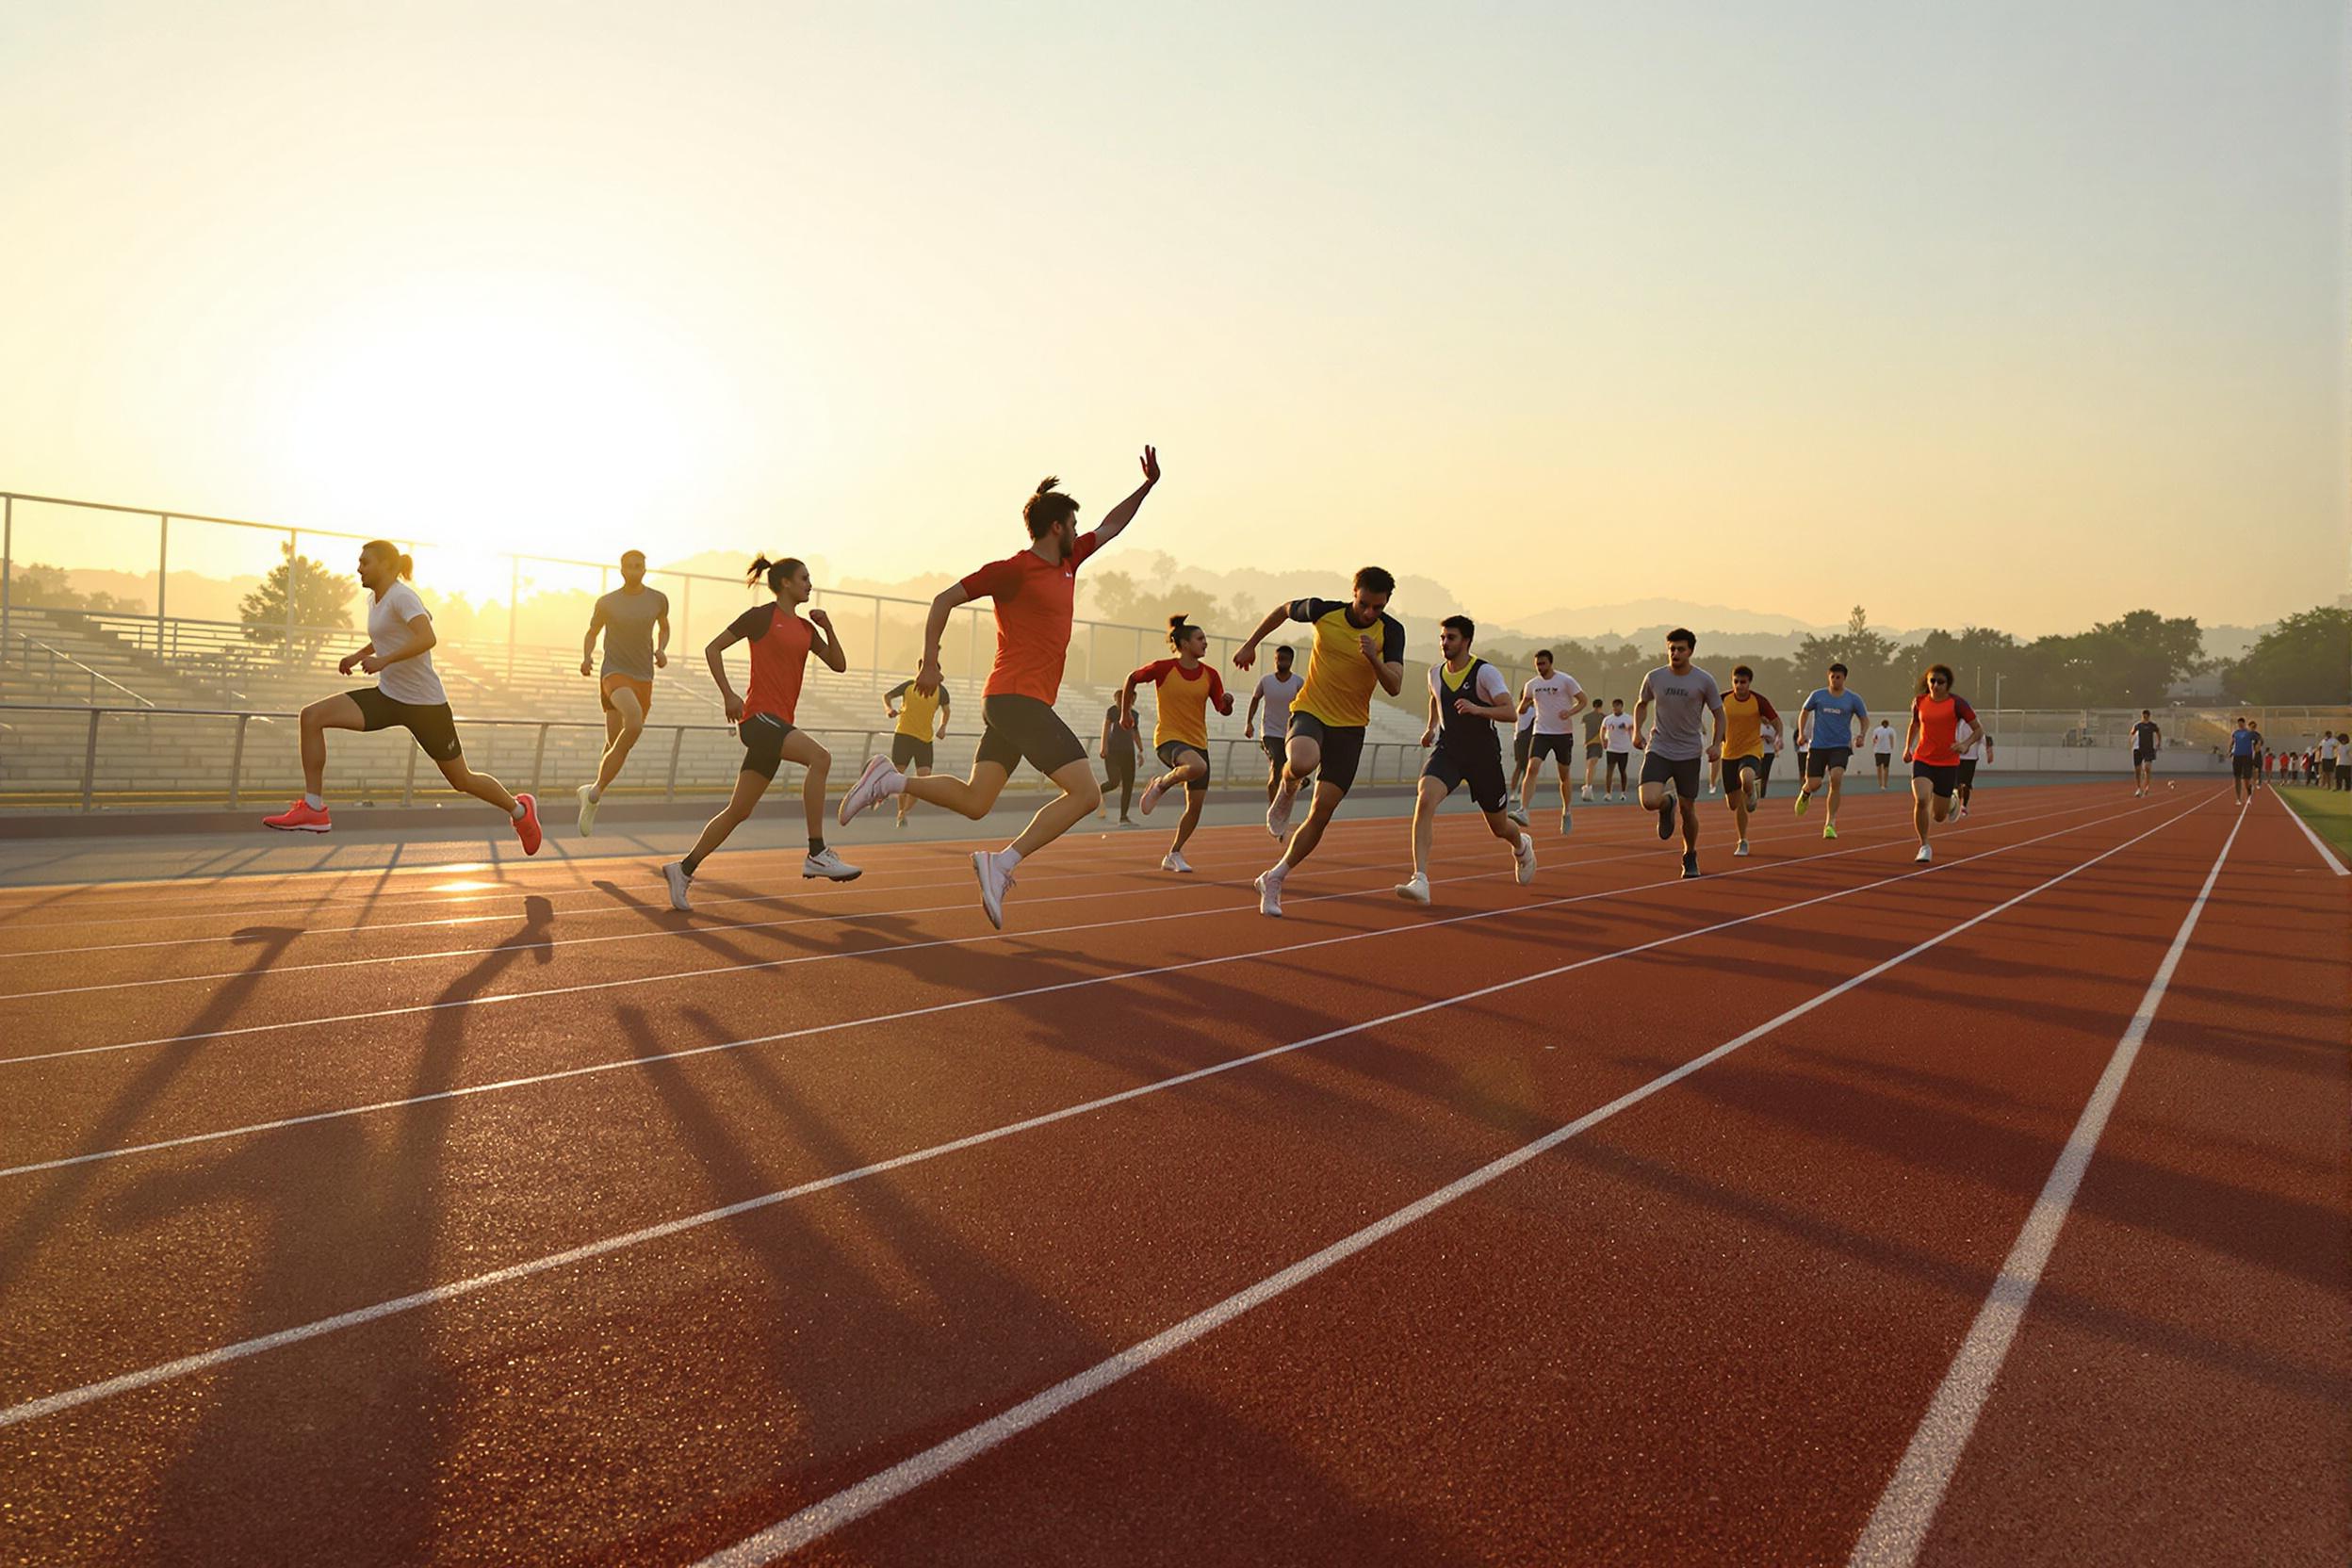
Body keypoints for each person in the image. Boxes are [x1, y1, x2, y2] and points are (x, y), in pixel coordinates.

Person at [837, 449, 1161, 929]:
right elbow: (944, 599)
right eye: (1073, 522)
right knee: (1088, 795)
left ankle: (890, 780)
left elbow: (1113, 525)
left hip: (1015, 703)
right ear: (1056, 527)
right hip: (1016, 699)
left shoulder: (1070, 562)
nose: (1080, 529)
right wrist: (930, 663)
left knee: (975, 802)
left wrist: (1148, 486)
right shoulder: (1014, 570)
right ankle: (1003, 862)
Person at [266, 540, 542, 853]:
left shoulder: (402, 596)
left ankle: (520, 811)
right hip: (389, 698)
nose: (359, 568)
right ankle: (314, 809)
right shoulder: (375, 599)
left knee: (461, 779)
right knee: (312, 716)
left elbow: (427, 637)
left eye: (365, 562)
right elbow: (387, 634)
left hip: (426, 707)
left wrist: (384, 660)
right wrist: (358, 655)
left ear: (386, 565)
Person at [662, 556, 860, 909]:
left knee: (738, 811)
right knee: (820, 758)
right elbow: (713, 648)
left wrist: (828, 627)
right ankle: (817, 851)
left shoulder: (805, 629)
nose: (809, 584)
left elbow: (840, 665)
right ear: (785, 582)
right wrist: (728, 694)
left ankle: (683, 868)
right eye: (804, 578)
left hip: (777, 724)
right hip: (758, 720)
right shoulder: (761, 617)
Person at [1233, 566, 1407, 917]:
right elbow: (1284, 609)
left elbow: (1395, 685)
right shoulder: (1323, 611)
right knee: (1301, 762)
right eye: (1365, 604)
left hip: (1351, 726)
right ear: (1353, 592)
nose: (1370, 613)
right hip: (1312, 709)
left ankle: (1276, 877)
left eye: (1378, 607)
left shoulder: (1391, 631)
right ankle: (1287, 789)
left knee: (1322, 811)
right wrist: (1251, 643)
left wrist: (1374, 657)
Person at [1396, 615, 1537, 904]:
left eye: (1451, 638)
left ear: (1467, 641)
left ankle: (1521, 845)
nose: (1445, 643)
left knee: (1499, 827)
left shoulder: (1485, 673)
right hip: (1449, 751)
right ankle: (1420, 879)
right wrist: (1431, 727)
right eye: (1443, 637)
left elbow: (1510, 712)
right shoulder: (1434, 673)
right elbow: (1435, 700)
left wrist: (1477, 709)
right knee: (1425, 799)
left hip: (1483, 756)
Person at [1122, 614, 1235, 874]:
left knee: (1194, 807)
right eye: (1200, 639)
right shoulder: (1163, 668)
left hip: (1198, 742)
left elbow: (1221, 709)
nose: (1205, 643)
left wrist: (1227, 702)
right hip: (1169, 738)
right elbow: (1131, 678)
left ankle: (1174, 853)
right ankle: (1162, 783)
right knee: (1197, 767)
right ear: (1184, 644)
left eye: (1205, 639)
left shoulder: (1211, 675)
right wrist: (1125, 713)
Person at [575, 549, 670, 836]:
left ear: (645, 568)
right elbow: (592, 633)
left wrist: (662, 648)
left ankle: (593, 793)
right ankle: (594, 794)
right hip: (614, 673)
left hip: (644, 675)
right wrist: (587, 656)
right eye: (628, 567)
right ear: (621, 570)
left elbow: (664, 628)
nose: (634, 570)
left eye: (638, 566)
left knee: (617, 743)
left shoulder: (658, 599)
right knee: (635, 722)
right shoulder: (607, 603)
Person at [1633, 629, 1724, 880]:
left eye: (1681, 649)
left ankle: (1690, 854)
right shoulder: (1654, 677)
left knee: (1688, 808)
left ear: (1691, 651)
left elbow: (1719, 714)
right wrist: (1637, 730)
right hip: (1659, 747)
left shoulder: (1704, 680)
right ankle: (1666, 803)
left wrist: (1717, 744)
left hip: (1688, 752)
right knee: (1649, 800)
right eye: (1671, 648)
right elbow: (1642, 704)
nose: (1675, 653)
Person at [1903, 663, 1979, 863]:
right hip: (1923, 759)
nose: (1935, 685)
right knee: (1921, 800)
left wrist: (1965, 744)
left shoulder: (1958, 704)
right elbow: (1915, 724)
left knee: (1938, 815)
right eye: (1932, 681)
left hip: (1947, 762)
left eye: (1940, 682)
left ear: (1948, 684)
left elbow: (1978, 730)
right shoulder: (1919, 701)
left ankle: (1953, 801)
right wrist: (1907, 748)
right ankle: (1924, 845)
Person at [1794, 662, 1869, 840]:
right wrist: (1802, 732)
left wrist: (1862, 735)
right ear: (1828, 677)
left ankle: (1830, 823)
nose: (1835, 680)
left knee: (1836, 778)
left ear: (1844, 678)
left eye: (1839, 677)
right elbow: (1804, 712)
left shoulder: (1853, 699)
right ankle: (1806, 792)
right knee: (1815, 784)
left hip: (1840, 746)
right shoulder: (1817, 695)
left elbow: (1864, 718)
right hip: (1818, 746)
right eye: (1833, 677)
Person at [1517, 648, 1588, 834]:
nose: (1540, 668)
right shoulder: (1532, 684)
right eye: (1537, 665)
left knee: (1563, 775)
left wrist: (1569, 712)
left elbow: (1583, 701)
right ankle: (1524, 810)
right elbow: (1522, 707)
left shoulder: (1565, 680)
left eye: (1543, 664)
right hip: (1541, 732)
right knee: (1532, 767)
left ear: (1550, 663)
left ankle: (1567, 811)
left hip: (1563, 734)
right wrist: (1523, 705)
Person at [1718, 665, 1781, 858]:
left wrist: (1779, 737)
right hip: (1728, 753)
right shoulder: (1723, 699)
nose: (1739, 686)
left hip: (1752, 750)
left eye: (1743, 682)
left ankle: (1742, 840)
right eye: (1735, 682)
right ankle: (1749, 793)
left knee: (1746, 779)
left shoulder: (1758, 701)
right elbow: (1708, 711)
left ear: (1749, 683)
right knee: (1733, 804)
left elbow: (1776, 722)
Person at [882, 661, 951, 828]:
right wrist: (889, 709)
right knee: (898, 776)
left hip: (924, 740)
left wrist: (942, 727)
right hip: (904, 736)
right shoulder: (909, 686)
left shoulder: (941, 691)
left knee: (924, 780)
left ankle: (903, 812)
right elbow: (887, 696)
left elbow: (946, 711)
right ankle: (899, 808)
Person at [1244, 644, 1305, 805]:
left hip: (1291, 732)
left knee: (1290, 765)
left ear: (1291, 661)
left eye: (1284, 660)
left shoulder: (1298, 682)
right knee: (1277, 764)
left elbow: (1305, 706)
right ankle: (1274, 808)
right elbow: (1255, 699)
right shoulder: (1266, 680)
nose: (1280, 663)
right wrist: (1249, 723)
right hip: (1270, 733)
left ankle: (1298, 778)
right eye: (1278, 659)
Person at [1098, 700, 1138, 825]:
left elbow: (1135, 732)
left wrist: (1141, 750)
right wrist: (1103, 746)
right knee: (1114, 782)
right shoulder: (1113, 711)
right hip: (1113, 751)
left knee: (1128, 784)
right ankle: (1097, 791)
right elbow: (1106, 728)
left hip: (1128, 752)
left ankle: (1124, 816)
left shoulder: (1135, 714)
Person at [1599, 697, 1635, 801]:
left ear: (1621, 707)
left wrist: (1628, 728)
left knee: (1622, 771)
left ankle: (1623, 793)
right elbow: (1602, 730)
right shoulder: (1608, 719)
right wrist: (1603, 741)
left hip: (1623, 749)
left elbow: (1634, 729)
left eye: (1618, 706)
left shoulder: (1628, 718)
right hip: (1611, 748)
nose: (1615, 708)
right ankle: (1608, 793)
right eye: (1614, 706)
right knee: (1609, 770)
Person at [1508, 701, 1537, 824]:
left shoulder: (1522, 708)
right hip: (1524, 738)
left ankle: (1518, 793)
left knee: (1523, 767)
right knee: (1521, 766)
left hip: (1521, 738)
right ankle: (1515, 792)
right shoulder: (1528, 709)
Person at [1955, 723, 1993, 816]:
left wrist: (1989, 752)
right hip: (1957, 758)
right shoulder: (1955, 722)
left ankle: (1963, 806)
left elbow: (1986, 739)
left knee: (1966, 785)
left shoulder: (1975, 725)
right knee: (1957, 784)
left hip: (1970, 759)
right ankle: (1956, 805)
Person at [1580, 697, 1608, 802]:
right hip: (1595, 742)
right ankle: (1588, 787)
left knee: (1591, 764)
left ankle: (1588, 786)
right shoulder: (1604, 718)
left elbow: (1582, 724)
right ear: (1600, 706)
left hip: (1591, 743)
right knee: (1591, 764)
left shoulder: (1587, 717)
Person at [2128, 710, 2161, 797]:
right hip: (2138, 749)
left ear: (2149, 716)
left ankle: (2146, 786)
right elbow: (2132, 733)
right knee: (2138, 771)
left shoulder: (2152, 725)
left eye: (2146, 716)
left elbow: (2158, 733)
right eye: (2143, 716)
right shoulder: (2138, 725)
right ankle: (2139, 788)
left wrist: (2158, 743)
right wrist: (2131, 742)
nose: (2144, 717)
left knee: (2147, 768)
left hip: (2148, 749)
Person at [2229, 717, 2257, 805]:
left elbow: (2257, 740)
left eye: (2241, 723)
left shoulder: (2249, 733)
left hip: (2247, 756)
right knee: (2237, 777)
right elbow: (2232, 742)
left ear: (2244, 723)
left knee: (2246, 779)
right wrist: (2230, 751)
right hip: (2237, 756)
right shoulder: (2236, 733)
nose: (2240, 725)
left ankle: (2249, 796)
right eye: (2239, 723)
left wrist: (2256, 749)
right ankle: (2238, 798)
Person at [1866, 717, 1898, 790]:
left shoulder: (1890, 730)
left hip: (1885, 751)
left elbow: (1892, 739)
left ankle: (1884, 784)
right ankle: (1881, 784)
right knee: (1880, 767)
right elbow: (1875, 739)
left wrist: (1891, 748)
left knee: (1885, 767)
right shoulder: (1878, 730)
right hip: (1879, 751)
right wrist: (1874, 747)